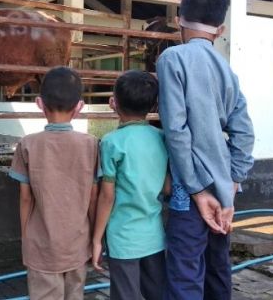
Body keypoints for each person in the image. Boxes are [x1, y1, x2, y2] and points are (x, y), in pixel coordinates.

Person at [157, 0, 255, 300]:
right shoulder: (227, 70)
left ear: (178, 20)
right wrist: (234, 182)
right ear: (221, 28)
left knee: (185, 274)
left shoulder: (172, 58)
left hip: (191, 191)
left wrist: (198, 191)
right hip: (223, 190)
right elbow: (244, 132)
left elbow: (175, 130)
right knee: (217, 270)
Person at [9, 66, 99, 300]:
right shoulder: (92, 145)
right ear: (79, 107)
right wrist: (93, 236)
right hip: (77, 245)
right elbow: (93, 198)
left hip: (42, 248)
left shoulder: (27, 145)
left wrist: (26, 237)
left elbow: (26, 198)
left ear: (40, 104)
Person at [91, 70, 169, 300]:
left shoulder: (111, 142)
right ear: (154, 105)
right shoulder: (161, 137)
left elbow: (107, 197)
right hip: (154, 235)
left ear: (114, 103)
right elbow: (167, 188)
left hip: (123, 238)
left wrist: (96, 239)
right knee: (157, 293)